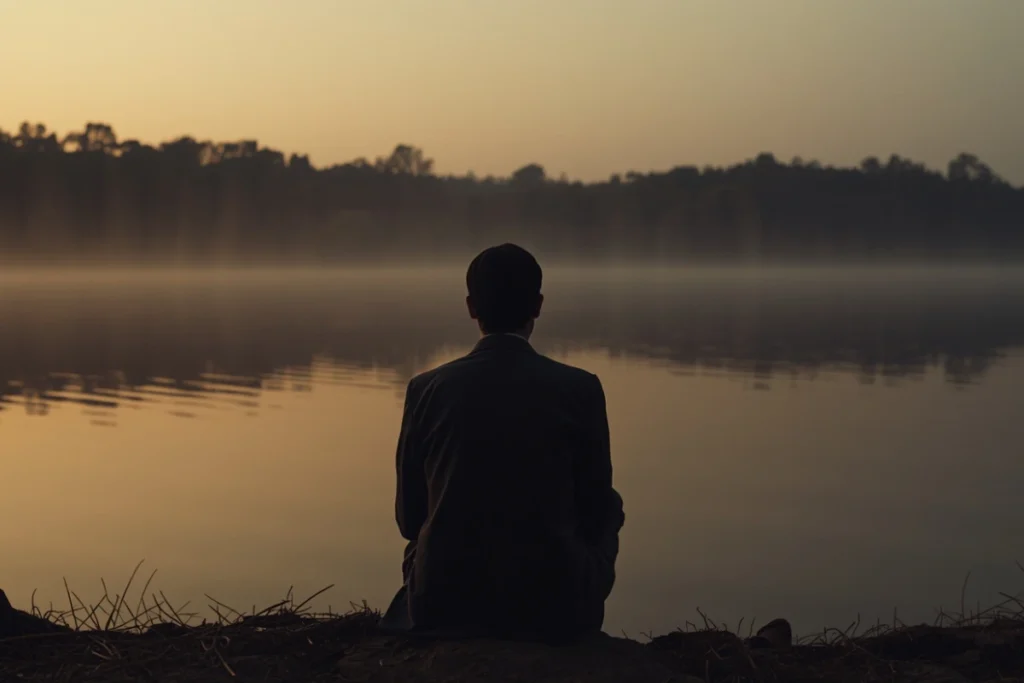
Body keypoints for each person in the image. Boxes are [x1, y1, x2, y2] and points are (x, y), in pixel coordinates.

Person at [380, 243, 625, 643]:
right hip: (553, 606)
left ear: (471, 307)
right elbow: (595, 510)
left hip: (442, 603)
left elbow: (409, 519)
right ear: (538, 306)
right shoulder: (581, 388)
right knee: (611, 504)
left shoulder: (425, 388)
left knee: (427, 531)